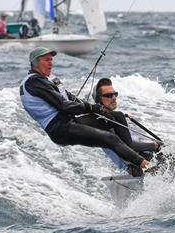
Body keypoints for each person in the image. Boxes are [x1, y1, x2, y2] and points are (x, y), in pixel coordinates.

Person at [19, 47, 150, 173]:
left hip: (70, 120)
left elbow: (70, 97)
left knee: (116, 117)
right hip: (60, 128)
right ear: (35, 63)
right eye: (46, 60)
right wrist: (91, 108)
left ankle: (133, 157)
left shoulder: (48, 79)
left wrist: (98, 110)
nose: (51, 63)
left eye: (51, 59)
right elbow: (63, 105)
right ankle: (145, 167)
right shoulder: (34, 82)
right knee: (109, 138)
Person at [94, 77, 160, 176]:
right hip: (137, 167)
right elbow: (126, 145)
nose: (113, 97)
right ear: (99, 100)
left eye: (115, 94)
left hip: (146, 155)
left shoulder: (118, 118)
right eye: (108, 95)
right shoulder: (103, 123)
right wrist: (153, 145)